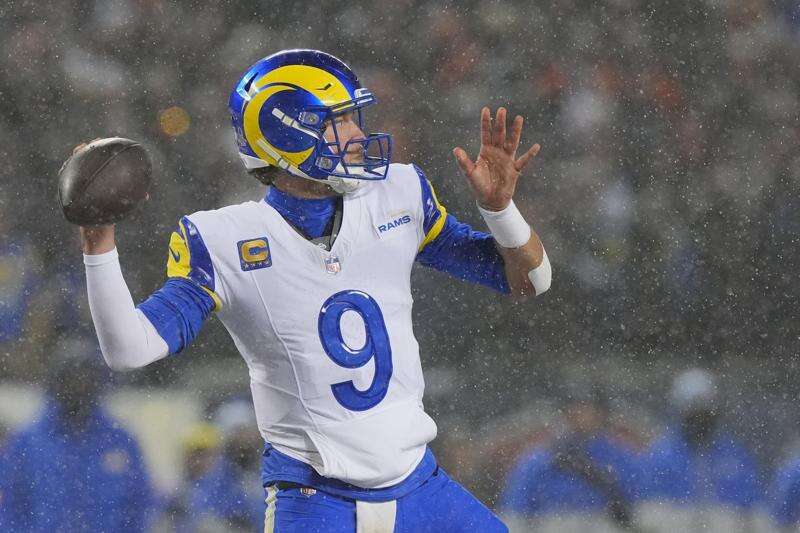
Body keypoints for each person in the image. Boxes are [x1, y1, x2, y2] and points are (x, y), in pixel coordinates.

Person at [75, 49, 551, 531]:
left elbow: (530, 279)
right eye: (338, 122)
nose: (358, 136)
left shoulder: (397, 194)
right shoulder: (224, 239)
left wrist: (500, 210)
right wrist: (98, 243)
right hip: (316, 499)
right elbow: (129, 349)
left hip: (420, 487)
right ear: (286, 134)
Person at [0, 338, 153, 532]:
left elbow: (140, 503)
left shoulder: (121, 442)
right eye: (70, 379)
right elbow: (10, 508)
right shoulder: (27, 443)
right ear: (55, 384)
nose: (79, 387)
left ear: (98, 384)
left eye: (86, 379)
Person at [498, 387, 642, 532]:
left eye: (587, 409)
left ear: (601, 414)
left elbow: (638, 506)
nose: (581, 415)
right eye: (576, 409)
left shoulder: (619, 457)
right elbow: (515, 511)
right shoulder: (542, 459)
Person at [637, 368, 763, 532]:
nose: (699, 418)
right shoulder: (659, 455)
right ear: (679, 409)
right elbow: (646, 510)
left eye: (704, 410)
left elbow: (754, 507)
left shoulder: (734, 455)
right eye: (692, 410)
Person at [187, 400, 266, 532]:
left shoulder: (268, 467)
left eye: (245, 431)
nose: (243, 439)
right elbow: (205, 516)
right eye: (237, 432)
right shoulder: (217, 477)